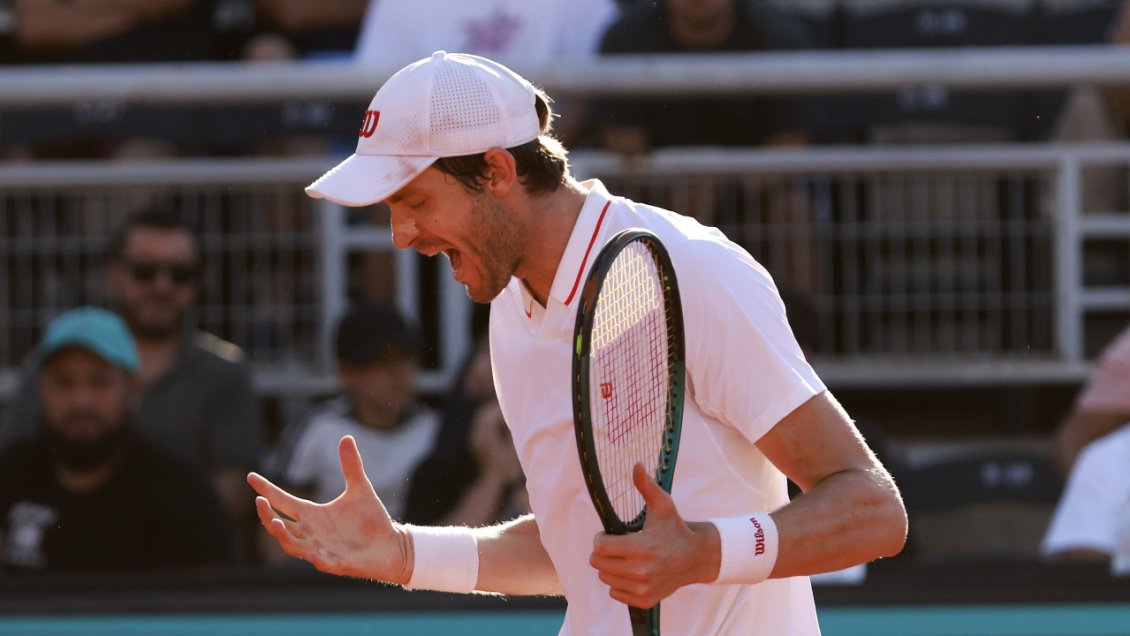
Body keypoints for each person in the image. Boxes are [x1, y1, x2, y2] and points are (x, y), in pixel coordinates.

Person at [249, 51, 906, 635]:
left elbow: (873, 509)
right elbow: (578, 551)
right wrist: (403, 553)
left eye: (415, 202)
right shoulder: (510, 311)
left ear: (496, 170)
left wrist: (705, 552)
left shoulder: (695, 269)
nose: (400, 235)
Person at [0, 208, 263, 529]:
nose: (162, 285)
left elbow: (238, 490)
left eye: (180, 273)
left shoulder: (224, 371)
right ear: (113, 275)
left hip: (177, 547)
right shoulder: (56, 358)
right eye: (144, 271)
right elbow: (13, 466)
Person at [0, 307, 235, 571]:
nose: (81, 401)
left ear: (133, 389)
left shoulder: (182, 494)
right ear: (41, 390)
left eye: (99, 382)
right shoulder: (11, 474)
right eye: (64, 383)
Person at [272, 302, 440, 518]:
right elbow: (278, 519)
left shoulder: (433, 429)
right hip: (332, 540)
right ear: (345, 373)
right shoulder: (319, 429)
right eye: (380, 361)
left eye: (405, 358)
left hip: (413, 540)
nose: (397, 373)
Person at [590, 0, 813, 154]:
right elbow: (625, 151)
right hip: (653, 194)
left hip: (753, 195)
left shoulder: (781, 38)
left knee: (790, 203)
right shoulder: (624, 39)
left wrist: (725, 186)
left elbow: (788, 152)